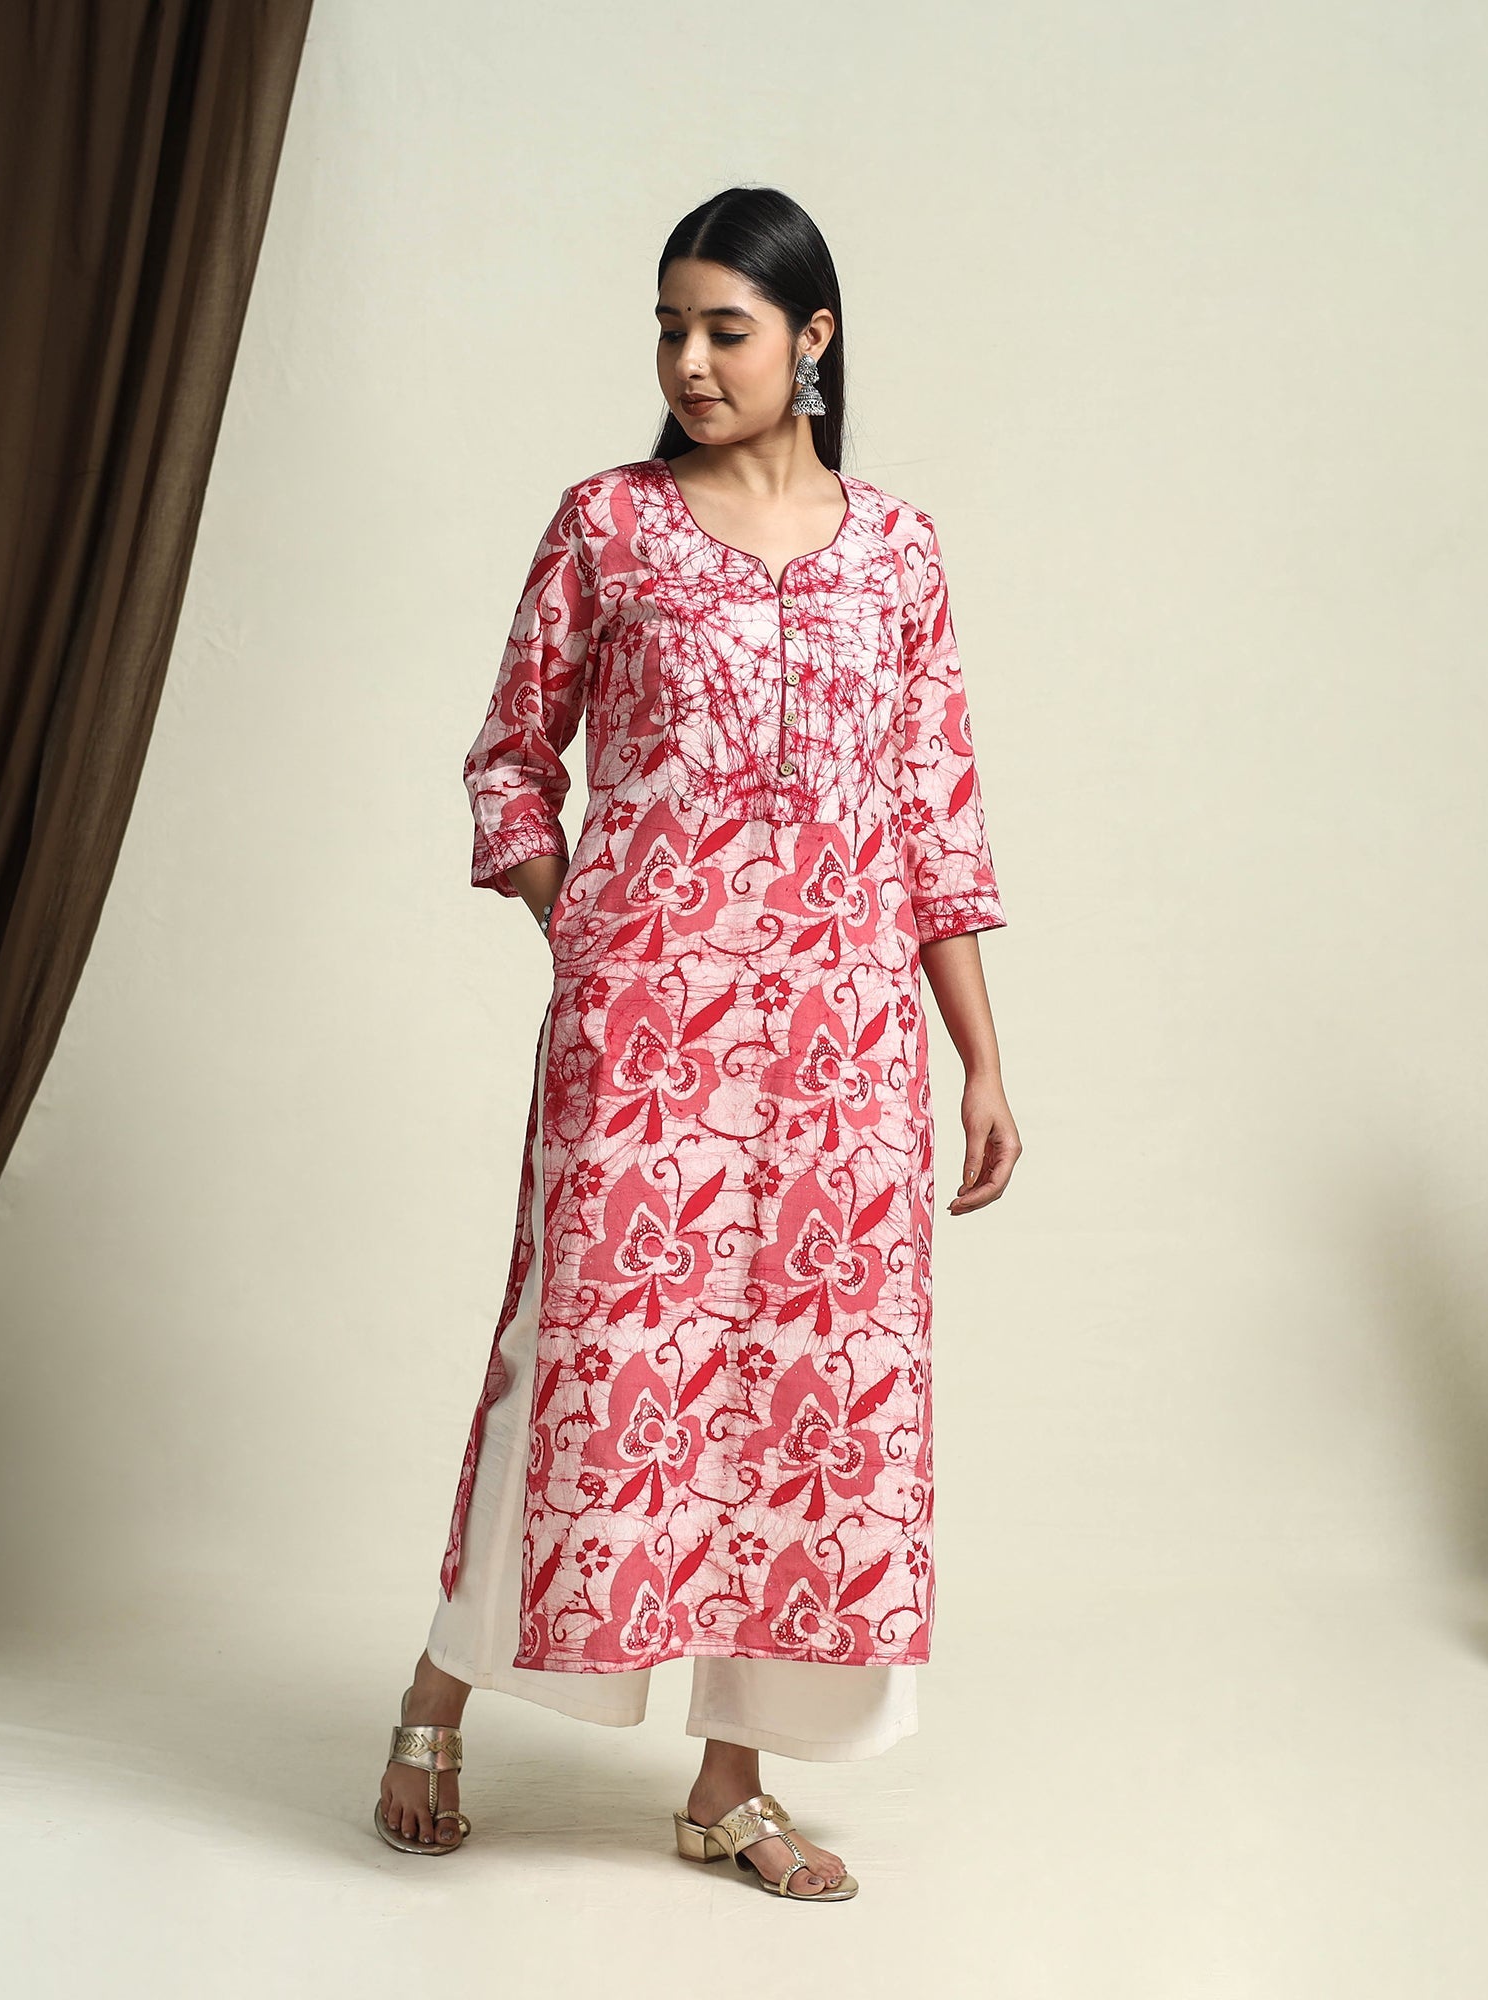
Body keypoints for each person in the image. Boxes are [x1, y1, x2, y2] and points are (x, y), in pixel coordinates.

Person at [375, 185, 1019, 1901]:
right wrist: (585, 928)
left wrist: (981, 1058)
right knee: (586, 1367)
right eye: (670, 327)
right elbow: (511, 760)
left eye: (726, 329)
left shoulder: (900, 554)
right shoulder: (609, 526)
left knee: (805, 1406)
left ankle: (731, 1785)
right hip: (647, 1046)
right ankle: (437, 1694)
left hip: (844, 1056)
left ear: (814, 341)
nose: (689, 360)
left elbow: (935, 820)